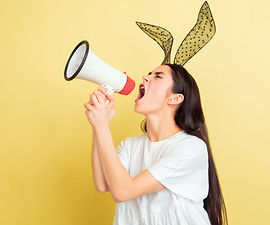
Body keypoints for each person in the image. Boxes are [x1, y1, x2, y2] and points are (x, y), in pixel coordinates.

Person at [84, 63, 227, 225]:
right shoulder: (130, 146)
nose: (145, 77)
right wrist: (97, 125)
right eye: (149, 73)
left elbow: (123, 192)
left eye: (158, 76)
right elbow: (102, 183)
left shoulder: (191, 148)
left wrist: (102, 126)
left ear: (175, 98)